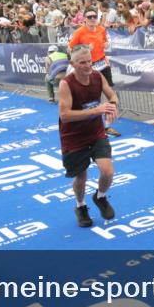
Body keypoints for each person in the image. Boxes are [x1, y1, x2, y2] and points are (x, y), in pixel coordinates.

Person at [58, 45, 119, 228]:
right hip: (73, 137)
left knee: (108, 172)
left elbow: (112, 94)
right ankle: (81, 206)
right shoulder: (66, 84)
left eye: (89, 62)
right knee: (81, 177)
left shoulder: (97, 76)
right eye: (82, 63)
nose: (87, 66)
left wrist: (112, 106)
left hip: (96, 133)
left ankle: (100, 197)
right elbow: (65, 115)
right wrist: (97, 110)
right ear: (73, 64)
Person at [69, 8, 121, 136]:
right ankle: (88, 123)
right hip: (88, 66)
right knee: (90, 95)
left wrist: (106, 44)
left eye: (94, 17)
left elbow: (104, 41)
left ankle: (107, 126)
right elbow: (70, 49)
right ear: (84, 19)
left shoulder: (101, 29)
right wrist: (86, 49)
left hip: (103, 63)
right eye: (89, 17)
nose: (92, 19)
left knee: (110, 93)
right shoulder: (79, 32)